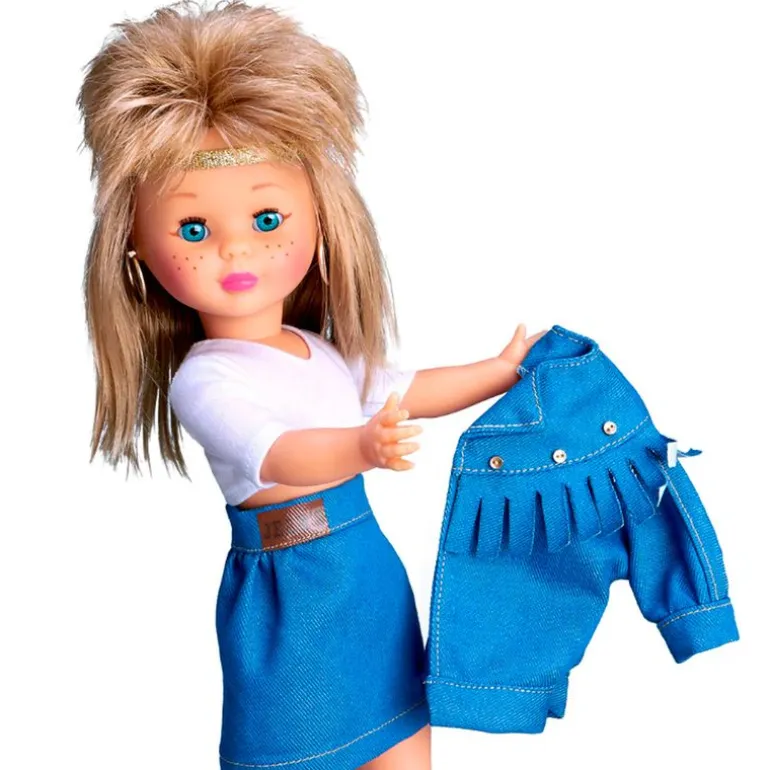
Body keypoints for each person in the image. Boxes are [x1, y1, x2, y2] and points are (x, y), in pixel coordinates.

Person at [78, 2, 545, 767]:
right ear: (134, 243)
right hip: (290, 596)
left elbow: (403, 388)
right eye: (193, 230)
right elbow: (275, 452)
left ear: (320, 220)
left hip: (367, 578)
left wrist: (501, 371)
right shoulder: (205, 379)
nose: (236, 249)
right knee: (291, 748)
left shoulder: (318, 351)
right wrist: (361, 447)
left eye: (268, 219)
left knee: (403, 740)